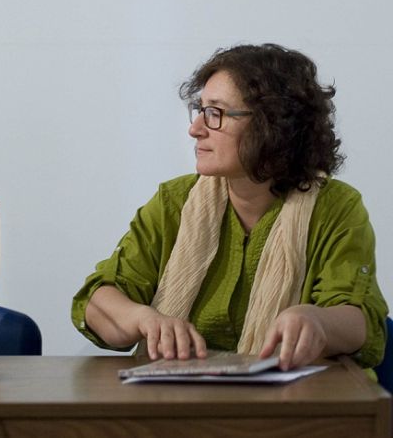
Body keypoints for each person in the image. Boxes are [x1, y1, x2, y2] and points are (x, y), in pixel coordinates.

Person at [72, 43, 387, 372]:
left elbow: (361, 323)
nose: (195, 129)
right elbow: (96, 302)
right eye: (200, 110)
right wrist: (141, 318)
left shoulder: (335, 207)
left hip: (299, 398)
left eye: (215, 113)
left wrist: (317, 321)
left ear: (272, 125)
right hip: (182, 398)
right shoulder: (173, 202)